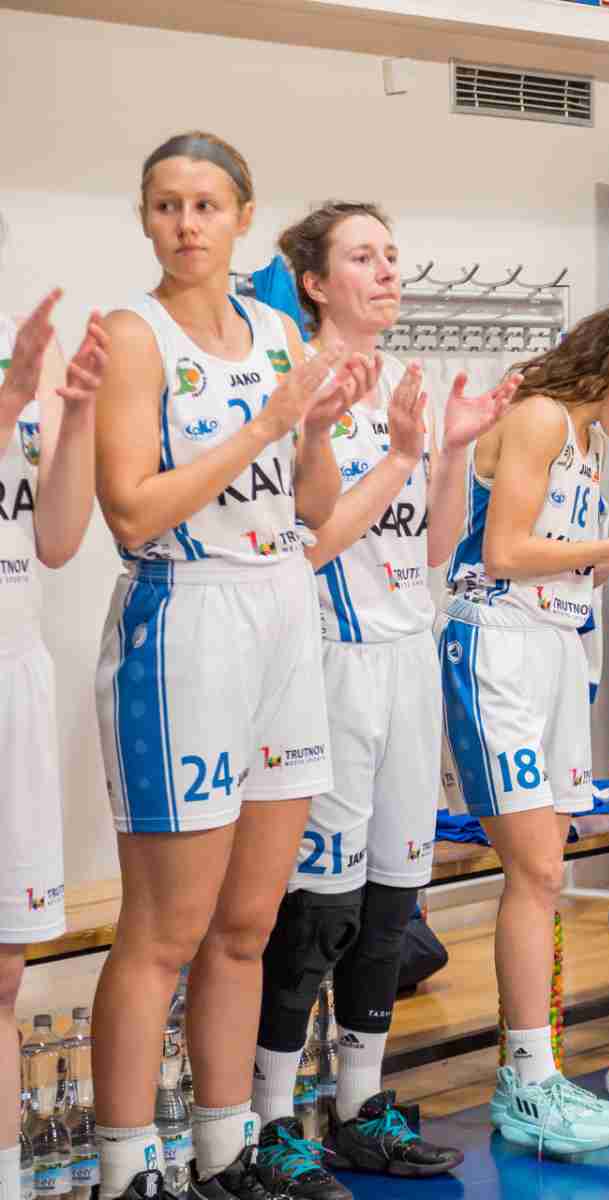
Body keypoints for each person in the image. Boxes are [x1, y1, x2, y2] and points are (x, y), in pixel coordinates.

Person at [91, 131, 373, 1200]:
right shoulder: (135, 335)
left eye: (206, 205)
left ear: (244, 216)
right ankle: (126, 1172)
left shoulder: (277, 332)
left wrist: (316, 430)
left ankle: (224, 1152)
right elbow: (131, 511)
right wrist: (265, 425)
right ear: (145, 218)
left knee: (249, 924)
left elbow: (311, 506)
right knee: (164, 928)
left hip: (280, 608)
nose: (186, 224)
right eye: (166, 205)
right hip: (186, 613)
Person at [247, 202, 520, 1194]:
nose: (388, 270)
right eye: (364, 257)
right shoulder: (296, 382)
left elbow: (435, 547)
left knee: (392, 901)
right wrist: (403, 455)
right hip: (331, 660)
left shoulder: (401, 382)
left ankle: (360, 1106)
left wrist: (450, 451)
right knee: (317, 911)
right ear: (315, 283)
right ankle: (273, 1119)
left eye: (393, 254)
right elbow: (314, 539)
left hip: (408, 655)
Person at [439, 293, 609, 1151]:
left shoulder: (588, 439)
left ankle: (538, 1073)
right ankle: (525, 1083)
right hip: (496, 645)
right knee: (537, 870)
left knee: (544, 874)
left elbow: (563, 571)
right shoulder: (540, 417)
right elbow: (503, 554)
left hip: (554, 649)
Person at [0, 285, 106, 1200]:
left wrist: (73, 416)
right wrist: (10, 404)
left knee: (3, 977)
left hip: (14, 676)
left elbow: (60, 539)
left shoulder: (20, 342)